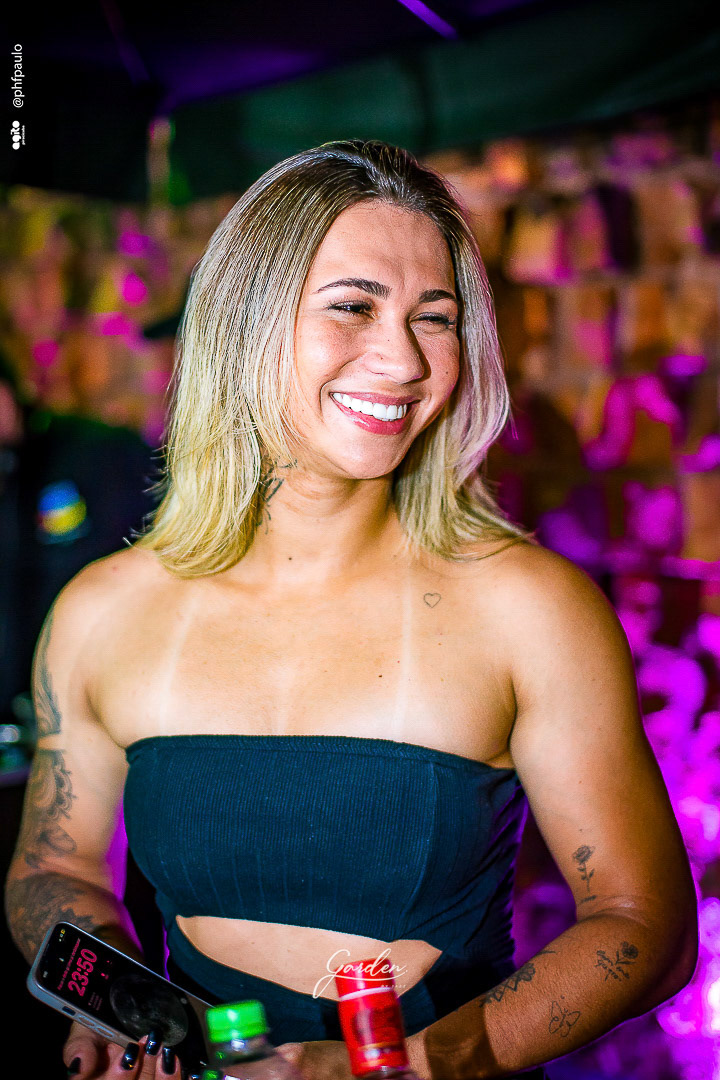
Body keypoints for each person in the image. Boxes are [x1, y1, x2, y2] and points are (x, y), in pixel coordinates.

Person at [4, 141, 697, 1080]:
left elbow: (644, 924)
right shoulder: (104, 612)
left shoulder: (529, 608)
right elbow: (57, 867)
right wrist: (118, 1003)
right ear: (245, 324)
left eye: (434, 318)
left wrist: (414, 1065)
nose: (403, 359)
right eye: (352, 307)